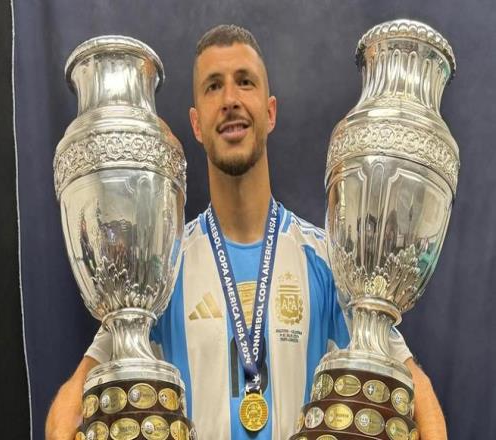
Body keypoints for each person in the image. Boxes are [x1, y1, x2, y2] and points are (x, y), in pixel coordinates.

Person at [46, 25, 447, 440]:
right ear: (196, 123)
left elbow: (419, 395)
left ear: (270, 112)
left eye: (245, 82)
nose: (230, 100)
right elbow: (68, 410)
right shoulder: (163, 265)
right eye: (213, 86)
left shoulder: (327, 260)